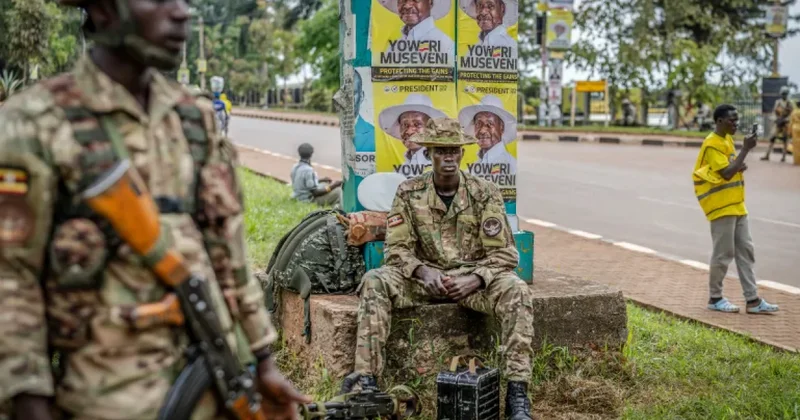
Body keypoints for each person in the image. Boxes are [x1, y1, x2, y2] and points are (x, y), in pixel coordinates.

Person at [0, 0, 310, 419]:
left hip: (213, 385)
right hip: (102, 398)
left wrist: (263, 360)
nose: (180, 12)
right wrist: (28, 401)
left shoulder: (193, 118)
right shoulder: (36, 122)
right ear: (104, 10)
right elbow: (11, 279)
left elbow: (228, 252)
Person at [343, 117, 535, 420]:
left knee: (516, 290)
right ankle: (366, 383)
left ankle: (517, 393)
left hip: (471, 281)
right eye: (440, 151)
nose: (448, 158)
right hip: (425, 279)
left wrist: (475, 278)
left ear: (462, 153)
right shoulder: (409, 191)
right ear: (429, 154)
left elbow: (506, 253)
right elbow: (396, 249)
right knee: (375, 280)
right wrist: (422, 272)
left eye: (453, 151)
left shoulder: (484, 192)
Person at [692, 104, 779, 314]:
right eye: (732, 120)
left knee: (746, 251)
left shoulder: (727, 140)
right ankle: (715, 298)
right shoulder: (712, 143)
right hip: (721, 206)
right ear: (719, 121)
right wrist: (746, 149)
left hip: (736, 204)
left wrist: (739, 163)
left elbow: (731, 166)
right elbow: (726, 173)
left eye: (737, 120)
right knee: (723, 253)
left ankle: (753, 300)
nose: (736, 124)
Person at [378, 93, 447, 167]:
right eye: (405, 125)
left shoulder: (440, 166)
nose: (409, 131)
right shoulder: (402, 168)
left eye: (417, 124)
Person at [458, 95, 517, 174]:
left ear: (501, 127)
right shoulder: (475, 166)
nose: (482, 131)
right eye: (478, 124)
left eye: (490, 124)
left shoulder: (510, 166)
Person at [378, 0, 455, 57]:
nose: (407, 6)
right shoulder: (394, 46)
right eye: (401, 0)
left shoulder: (445, 45)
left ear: (430, 3)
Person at [762, 86, 795, 162]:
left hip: (786, 123)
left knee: (785, 140)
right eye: (783, 94)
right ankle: (767, 155)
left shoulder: (790, 103)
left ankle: (784, 157)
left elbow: (791, 114)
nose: (784, 95)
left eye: (785, 94)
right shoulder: (778, 102)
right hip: (778, 123)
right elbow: (774, 112)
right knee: (772, 138)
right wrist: (777, 119)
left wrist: (786, 119)